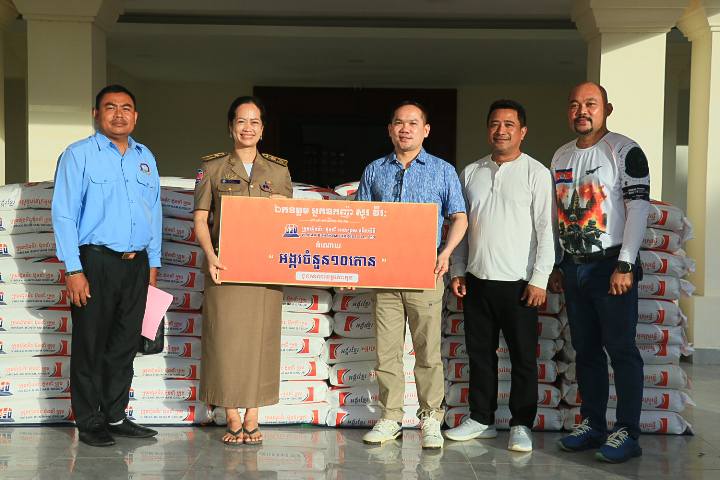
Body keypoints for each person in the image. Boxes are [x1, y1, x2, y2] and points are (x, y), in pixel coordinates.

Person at [52, 84, 161, 447]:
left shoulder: (145, 157)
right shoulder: (78, 155)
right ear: (96, 114)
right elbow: (64, 214)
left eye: (126, 108)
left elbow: (155, 212)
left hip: (136, 265)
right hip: (95, 263)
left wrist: (153, 266)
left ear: (136, 116)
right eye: (110, 107)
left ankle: (115, 415)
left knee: (124, 346)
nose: (119, 114)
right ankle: (89, 421)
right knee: (90, 344)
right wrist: (73, 270)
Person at [356, 101, 468, 449]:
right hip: (385, 275)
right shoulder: (374, 170)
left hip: (425, 272)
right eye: (399, 123)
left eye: (413, 123)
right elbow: (360, 220)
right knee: (387, 351)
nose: (405, 129)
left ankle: (430, 417)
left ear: (426, 130)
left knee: (427, 350)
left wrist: (446, 253)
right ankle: (390, 417)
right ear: (390, 129)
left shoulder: (442, 171)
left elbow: (460, 217)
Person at [444, 100, 555, 452]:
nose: (501, 130)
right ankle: (481, 418)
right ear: (487, 129)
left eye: (509, 124)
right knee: (479, 354)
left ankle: (521, 423)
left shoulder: (536, 173)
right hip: (477, 279)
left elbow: (546, 230)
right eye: (495, 124)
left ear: (523, 131)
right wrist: (458, 269)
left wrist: (539, 278)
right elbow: (462, 226)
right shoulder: (471, 172)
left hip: (520, 284)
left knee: (523, 358)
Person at [550, 82, 649, 463]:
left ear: (607, 109)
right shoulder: (560, 155)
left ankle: (628, 432)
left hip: (611, 267)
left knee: (621, 350)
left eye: (590, 104)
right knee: (586, 351)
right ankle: (593, 424)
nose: (582, 111)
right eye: (574, 105)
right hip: (574, 267)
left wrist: (626, 263)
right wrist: (558, 263)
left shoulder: (624, 150)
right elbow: (557, 213)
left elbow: (638, 209)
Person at [193, 96, 292, 445]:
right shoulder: (212, 168)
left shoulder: (278, 172)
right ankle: (231, 413)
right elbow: (201, 219)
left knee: (261, 342)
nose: (247, 128)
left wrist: (282, 207)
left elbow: (288, 222)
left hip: (264, 270)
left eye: (254, 122)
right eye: (241, 121)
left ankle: (253, 413)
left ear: (263, 129)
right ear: (230, 127)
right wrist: (210, 256)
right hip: (225, 266)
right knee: (224, 341)